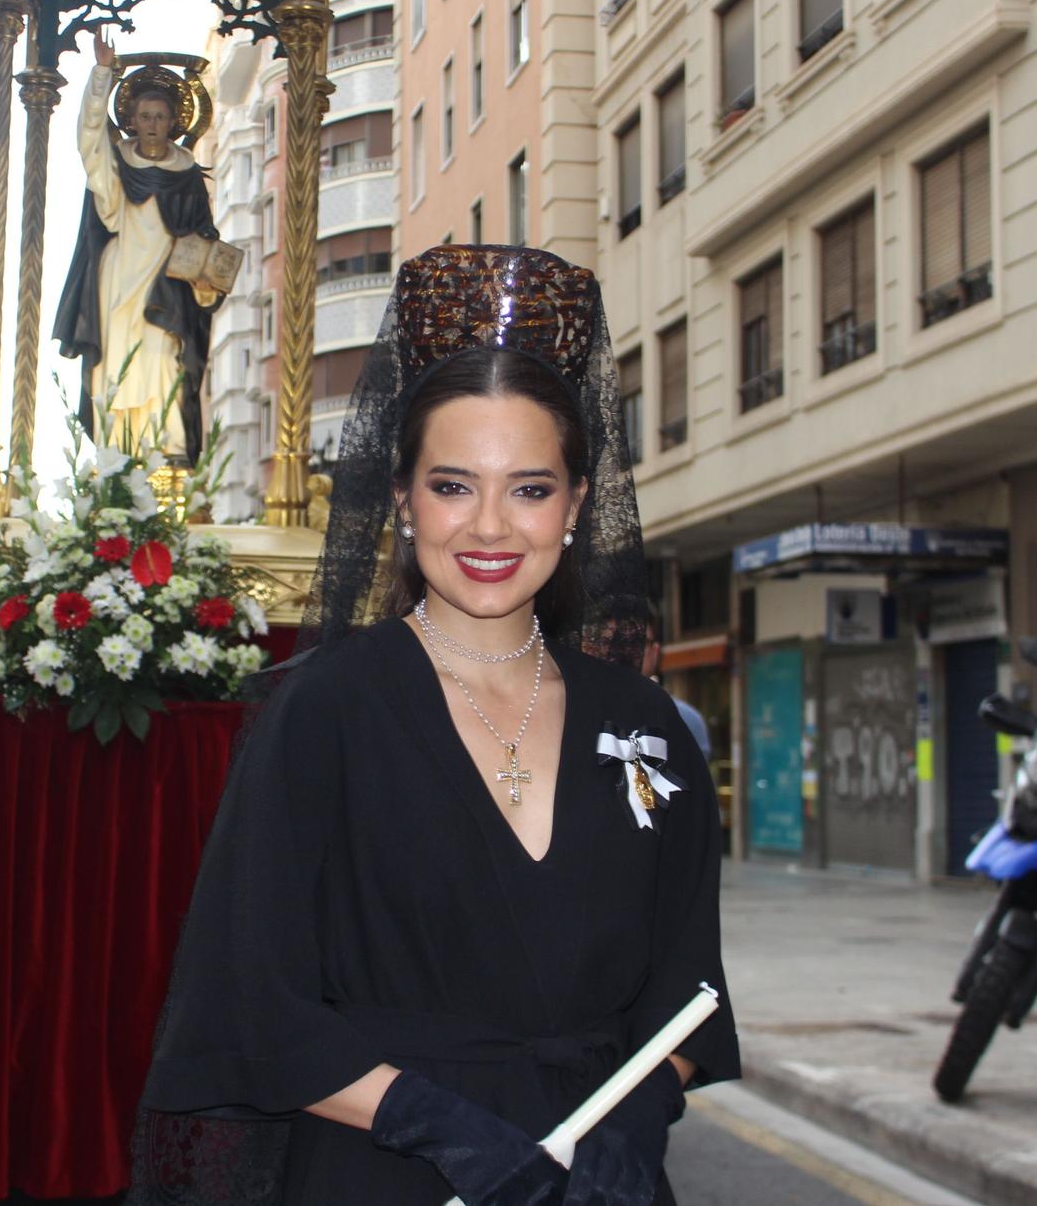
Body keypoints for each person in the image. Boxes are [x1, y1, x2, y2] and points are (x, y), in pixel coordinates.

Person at [128, 246, 738, 1205]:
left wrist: (639, 1113)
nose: (490, 527)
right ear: (402, 499)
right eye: (453, 485)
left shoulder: (645, 719)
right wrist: (442, 1128)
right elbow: (250, 995)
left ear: (576, 505)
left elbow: (688, 988)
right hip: (386, 1171)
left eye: (530, 488)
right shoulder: (323, 709)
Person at [52, 28, 223, 461]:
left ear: (174, 123)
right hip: (119, 279)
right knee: (116, 367)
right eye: (144, 116)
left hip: (168, 288)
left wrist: (207, 281)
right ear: (131, 120)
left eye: (160, 117)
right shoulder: (117, 168)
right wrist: (100, 75)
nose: (152, 126)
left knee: (165, 361)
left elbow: (205, 239)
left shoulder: (187, 177)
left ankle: (168, 451)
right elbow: (90, 143)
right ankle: (117, 453)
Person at [641, 598, 711, 763]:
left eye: (638, 642)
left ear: (655, 652)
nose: (626, 650)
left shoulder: (684, 719)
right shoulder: (579, 713)